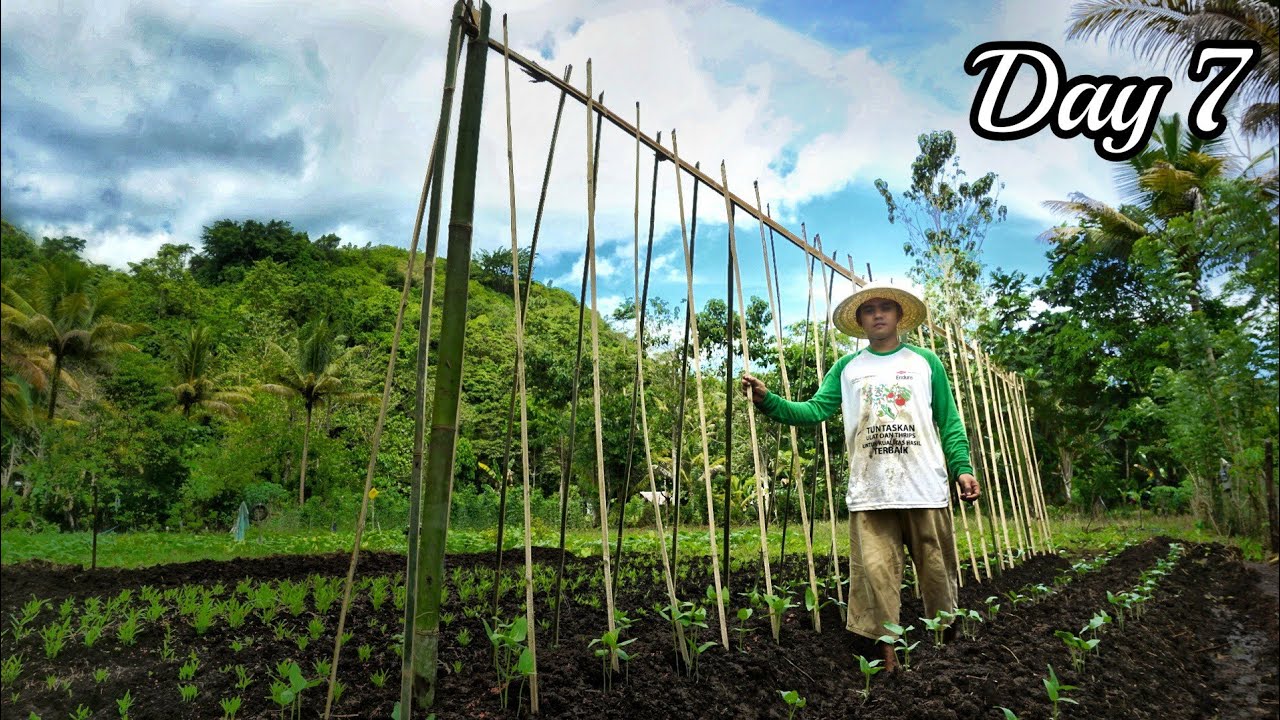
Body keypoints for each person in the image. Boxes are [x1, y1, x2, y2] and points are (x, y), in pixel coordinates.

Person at [741, 281, 980, 671]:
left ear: (900, 316)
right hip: (871, 490)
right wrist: (769, 401)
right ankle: (889, 659)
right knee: (876, 577)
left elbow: (948, 421)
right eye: (870, 310)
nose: (879, 314)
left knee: (937, 571)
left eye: (886, 307)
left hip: (924, 486)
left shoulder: (925, 363)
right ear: (860, 320)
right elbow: (814, 410)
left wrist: (963, 468)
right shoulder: (848, 369)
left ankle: (947, 645)